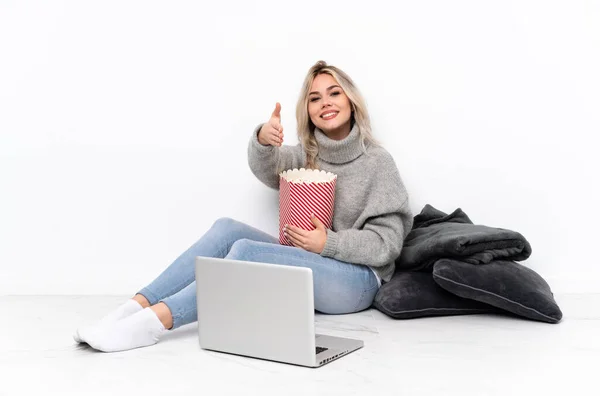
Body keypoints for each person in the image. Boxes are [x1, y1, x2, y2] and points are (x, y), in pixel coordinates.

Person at [73, 60, 414, 353]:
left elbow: (387, 245)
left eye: (334, 92)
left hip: (358, 282)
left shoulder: (378, 163)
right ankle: (132, 308)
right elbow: (268, 169)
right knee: (226, 230)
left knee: (246, 252)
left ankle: (155, 323)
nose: (325, 102)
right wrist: (264, 140)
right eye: (314, 97)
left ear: (352, 100)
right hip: (316, 263)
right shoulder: (307, 155)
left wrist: (330, 243)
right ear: (307, 110)